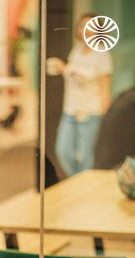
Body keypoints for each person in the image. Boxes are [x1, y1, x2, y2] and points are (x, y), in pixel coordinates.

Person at [48, 13, 112, 177]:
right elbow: (72, 76)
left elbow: (105, 86)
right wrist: (61, 70)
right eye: (82, 25)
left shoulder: (102, 54)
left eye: (90, 26)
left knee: (86, 156)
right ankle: (79, 181)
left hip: (91, 112)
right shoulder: (76, 50)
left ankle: (83, 186)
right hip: (70, 110)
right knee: (63, 151)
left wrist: (106, 113)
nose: (85, 30)